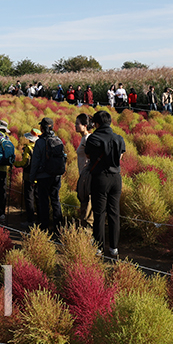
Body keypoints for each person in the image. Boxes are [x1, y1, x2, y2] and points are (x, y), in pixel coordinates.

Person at [85, 110, 126, 258]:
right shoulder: (118, 138)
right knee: (114, 213)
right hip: (116, 178)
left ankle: (99, 247)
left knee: (99, 213)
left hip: (100, 178)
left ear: (96, 123)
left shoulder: (93, 138)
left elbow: (88, 155)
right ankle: (114, 248)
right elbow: (121, 156)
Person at [29, 118, 66, 232]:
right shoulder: (58, 140)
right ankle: (58, 227)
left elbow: (35, 162)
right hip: (56, 176)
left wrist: (31, 178)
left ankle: (44, 226)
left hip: (43, 177)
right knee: (55, 200)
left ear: (42, 128)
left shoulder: (40, 142)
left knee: (43, 201)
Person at [15, 128, 40, 228]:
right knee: (38, 198)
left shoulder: (28, 148)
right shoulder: (41, 146)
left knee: (29, 197)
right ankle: (40, 219)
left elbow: (25, 163)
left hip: (28, 176)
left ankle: (30, 220)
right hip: (40, 176)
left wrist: (14, 163)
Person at [75, 113, 93, 227]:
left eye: (77, 124)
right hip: (83, 175)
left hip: (87, 176)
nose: (75, 126)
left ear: (85, 125)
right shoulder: (83, 138)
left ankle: (87, 233)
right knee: (83, 204)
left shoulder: (88, 138)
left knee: (87, 206)